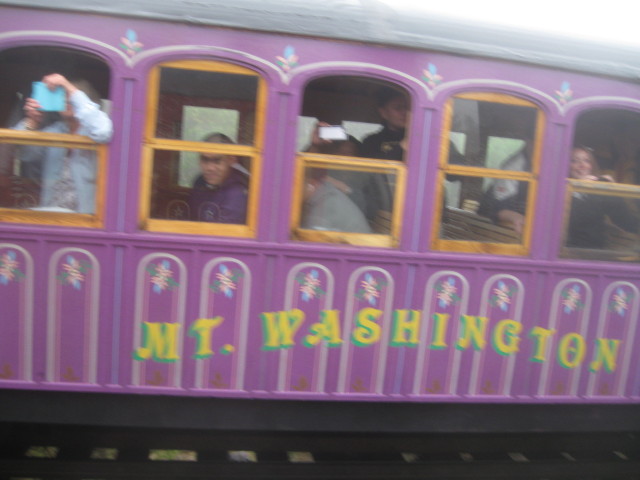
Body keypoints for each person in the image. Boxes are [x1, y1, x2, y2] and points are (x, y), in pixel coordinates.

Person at [14, 73, 113, 213]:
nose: (66, 99)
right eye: (62, 95)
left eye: (69, 95)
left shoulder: (94, 127)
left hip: (88, 217)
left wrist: (67, 85)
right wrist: (32, 122)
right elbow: (27, 156)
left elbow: (103, 132)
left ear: (85, 100)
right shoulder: (55, 130)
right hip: (53, 215)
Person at [566, 146, 637, 248]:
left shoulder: (597, 192)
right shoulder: (558, 190)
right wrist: (579, 188)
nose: (582, 165)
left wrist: (611, 191)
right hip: (566, 251)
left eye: (587, 161)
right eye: (574, 161)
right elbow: (568, 223)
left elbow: (626, 222)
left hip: (594, 251)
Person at [189, 133, 248, 224]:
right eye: (205, 159)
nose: (210, 168)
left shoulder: (237, 192)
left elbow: (222, 232)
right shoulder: (200, 182)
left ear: (231, 160)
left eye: (217, 161)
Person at [301, 167, 372, 233]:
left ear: (311, 184)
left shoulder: (325, 205)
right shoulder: (326, 194)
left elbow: (313, 238)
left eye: (298, 184)